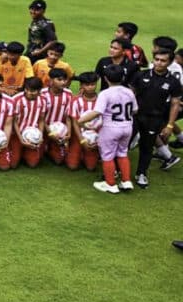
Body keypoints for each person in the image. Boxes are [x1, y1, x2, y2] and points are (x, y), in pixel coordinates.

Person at [77, 65, 136, 194]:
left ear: (105, 78)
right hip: (127, 127)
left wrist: (81, 121)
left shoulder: (105, 94)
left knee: (107, 156)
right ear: (123, 77)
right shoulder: (129, 92)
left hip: (110, 129)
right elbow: (135, 110)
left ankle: (110, 184)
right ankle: (126, 181)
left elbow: (97, 112)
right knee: (122, 153)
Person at [130, 50, 182, 188]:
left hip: (154, 119)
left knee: (147, 148)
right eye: (156, 59)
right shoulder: (141, 75)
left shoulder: (173, 82)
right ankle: (117, 170)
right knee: (125, 144)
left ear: (170, 62)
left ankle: (141, 173)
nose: (158, 63)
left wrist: (170, 125)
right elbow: (130, 94)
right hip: (135, 116)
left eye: (163, 60)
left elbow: (175, 104)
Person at [10, 78, 49, 169]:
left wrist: (40, 136)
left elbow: (41, 120)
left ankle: (26, 153)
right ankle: (18, 150)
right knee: (13, 165)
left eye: (33, 91)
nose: (29, 93)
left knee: (33, 164)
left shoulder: (43, 100)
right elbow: (14, 122)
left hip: (33, 134)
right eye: (27, 90)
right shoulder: (16, 99)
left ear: (39, 91)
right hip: (17, 134)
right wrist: (21, 140)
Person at [41, 68, 74, 166]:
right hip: (44, 129)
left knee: (59, 160)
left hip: (60, 131)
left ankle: (54, 147)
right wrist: (49, 133)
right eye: (59, 80)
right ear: (51, 80)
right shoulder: (42, 94)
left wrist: (68, 133)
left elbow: (68, 115)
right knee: (34, 160)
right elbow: (41, 117)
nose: (63, 82)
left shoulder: (69, 94)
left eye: (64, 80)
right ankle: (46, 146)